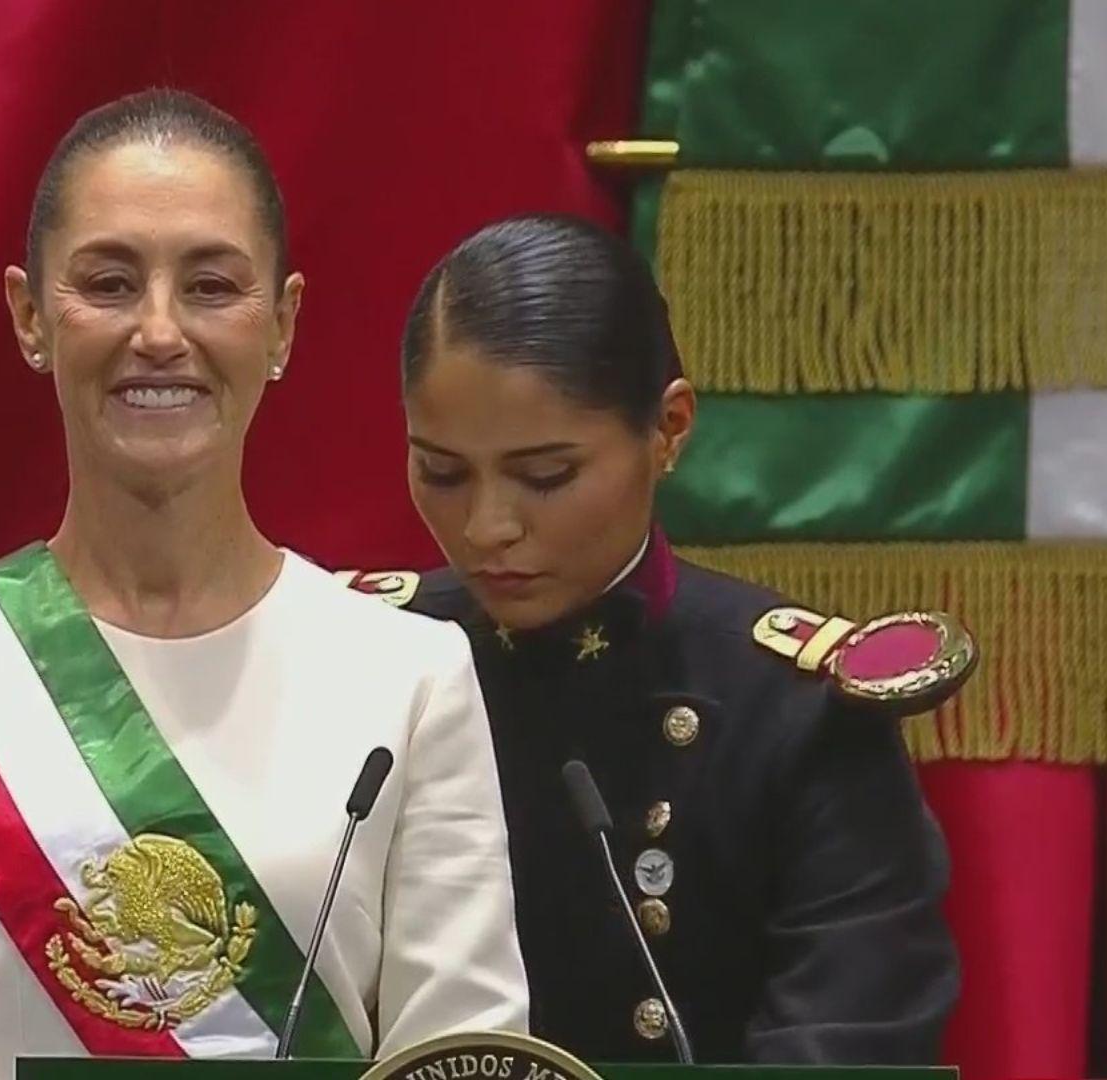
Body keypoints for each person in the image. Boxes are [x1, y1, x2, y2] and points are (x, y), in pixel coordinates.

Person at [0, 90, 527, 1080]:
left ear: (282, 323)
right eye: (107, 283)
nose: (158, 332)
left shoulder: (411, 676)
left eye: (211, 287)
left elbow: (461, 1059)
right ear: (29, 316)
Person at [382, 213, 961, 1063]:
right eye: (441, 471)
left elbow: (851, 1039)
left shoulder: (796, 713)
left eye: (546, 476)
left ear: (669, 428)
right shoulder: (362, 657)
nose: (487, 528)